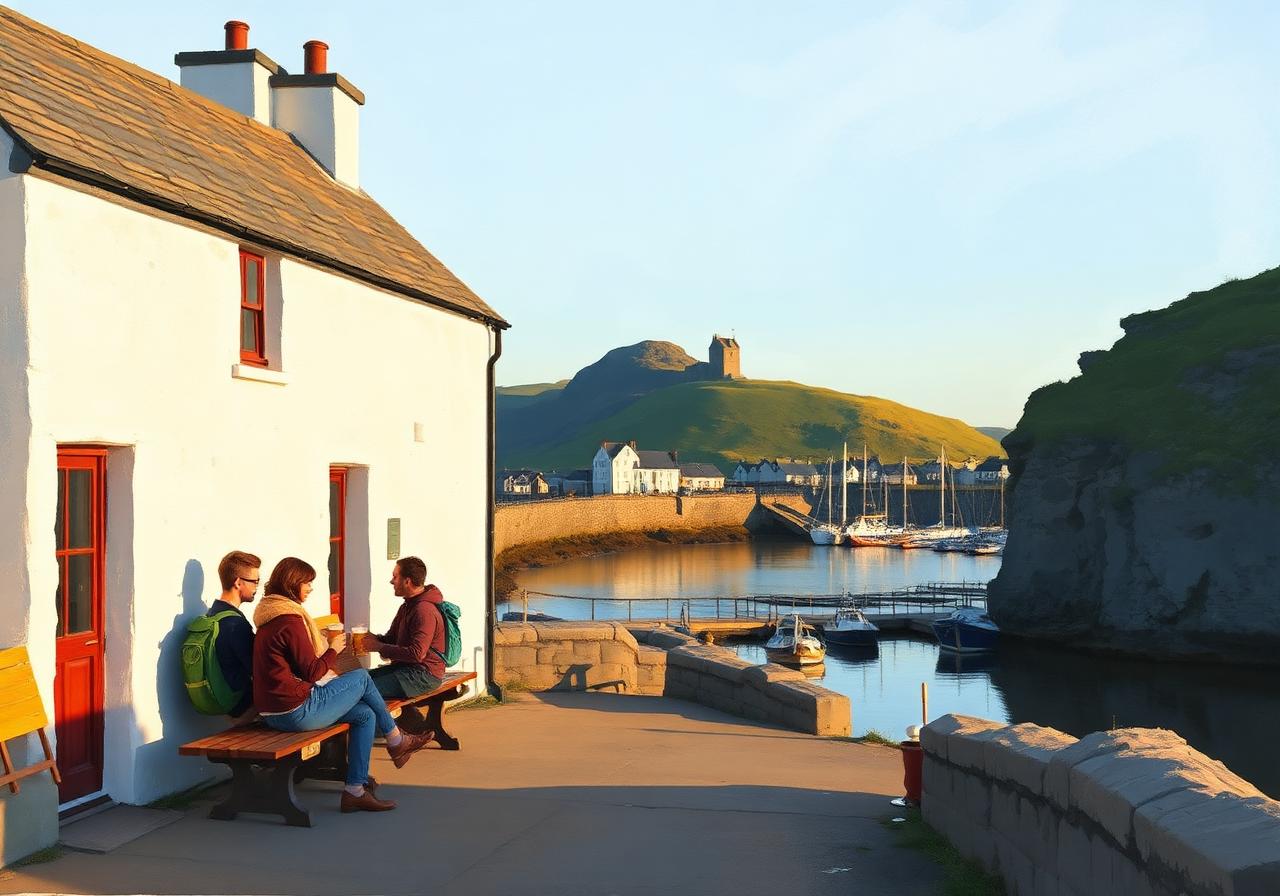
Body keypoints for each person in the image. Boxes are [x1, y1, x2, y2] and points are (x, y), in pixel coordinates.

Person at [252, 557, 432, 813]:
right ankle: (395, 738)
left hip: (275, 710)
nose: (311, 589)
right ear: (293, 584)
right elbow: (312, 671)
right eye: (307, 583)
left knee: (364, 715)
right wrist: (333, 650)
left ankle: (355, 791)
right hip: (294, 712)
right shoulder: (289, 620)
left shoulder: (271, 616)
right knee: (360, 677)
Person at [364, 557, 446, 712]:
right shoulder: (408, 606)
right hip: (407, 669)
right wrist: (372, 638)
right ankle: (406, 725)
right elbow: (391, 639)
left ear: (407, 581)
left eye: (395, 577)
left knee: (363, 689)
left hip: (423, 676)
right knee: (360, 679)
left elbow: (417, 654)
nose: (391, 581)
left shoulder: (423, 611)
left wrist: (378, 647)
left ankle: (390, 732)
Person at [208, 550, 261, 726]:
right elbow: (259, 669)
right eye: (255, 581)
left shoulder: (212, 615)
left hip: (225, 704)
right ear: (238, 582)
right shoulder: (234, 624)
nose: (256, 587)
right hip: (246, 710)